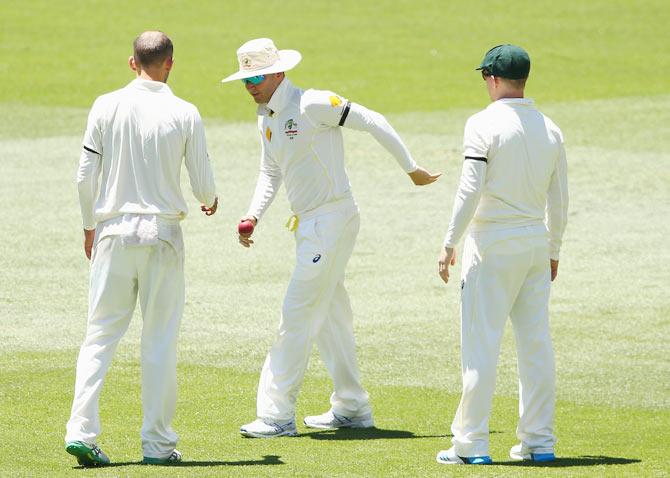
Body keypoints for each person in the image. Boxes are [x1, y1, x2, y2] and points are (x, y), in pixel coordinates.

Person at [221, 38, 441, 438]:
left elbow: (371, 119)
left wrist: (411, 168)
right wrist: (252, 215)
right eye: (244, 79)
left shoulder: (313, 103)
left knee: (297, 314)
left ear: (277, 72)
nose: (250, 85)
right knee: (330, 318)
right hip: (308, 225)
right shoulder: (265, 117)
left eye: (255, 77)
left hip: (333, 219)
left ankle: (276, 416)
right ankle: (352, 407)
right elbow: (271, 172)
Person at [65, 31, 218, 467]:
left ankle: (80, 431)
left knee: (98, 337)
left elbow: (83, 176)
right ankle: (158, 446)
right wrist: (210, 199)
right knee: (159, 341)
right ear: (170, 64)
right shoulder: (185, 111)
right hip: (164, 235)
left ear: (133, 62)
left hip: (112, 231)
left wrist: (88, 225)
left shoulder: (105, 104)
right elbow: (203, 181)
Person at [436, 44, 568, 465]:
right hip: (534, 244)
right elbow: (559, 200)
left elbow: (469, 189)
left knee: (481, 344)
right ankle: (539, 442)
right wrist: (553, 249)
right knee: (535, 345)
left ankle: (471, 445)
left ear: (493, 79)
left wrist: (448, 242)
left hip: (491, 245)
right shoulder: (550, 128)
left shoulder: (481, 123)